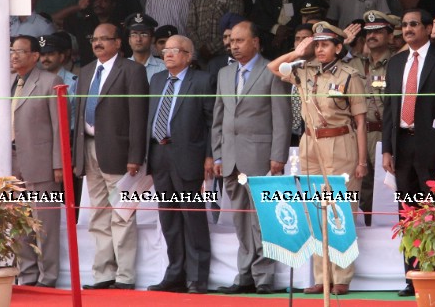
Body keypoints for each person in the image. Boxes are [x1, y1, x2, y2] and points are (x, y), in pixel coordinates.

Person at [270, 22, 367, 296]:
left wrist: (362, 160)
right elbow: (273, 68)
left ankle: (342, 277)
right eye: (317, 44)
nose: (320, 49)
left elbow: (360, 121)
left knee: (340, 212)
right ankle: (321, 277)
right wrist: (297, 52)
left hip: (340, 142)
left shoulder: (350, 75)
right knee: (314, 212)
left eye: (325, 44)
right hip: (309, 143)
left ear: (339, 47)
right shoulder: (305, 70)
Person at [381, 9, 435, 297]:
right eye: (404, 25)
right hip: (402, 144)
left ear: (429, 28)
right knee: (408, 214)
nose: (408, 29)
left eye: (414, 24)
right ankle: (413, 276)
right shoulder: (396, 62)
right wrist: (386, 149)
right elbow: (389, 108)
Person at [213, 21, 290, 295]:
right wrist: (218, 155)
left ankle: (264, 275)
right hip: (231, 158)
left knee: (262, 218)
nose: (234, 45)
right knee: (239, 219)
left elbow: (282, 118)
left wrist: (278, 156)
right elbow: (218, 119)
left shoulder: (271, 71)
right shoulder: (224, 73)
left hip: (261, 157)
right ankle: (244, 273)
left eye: (240, 40)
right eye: (231, 41)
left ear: (255, 42)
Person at [72, 23, 148, 290]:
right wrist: (76, 154)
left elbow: (139, 116)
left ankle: (125, 276)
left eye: (105, 39)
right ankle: (103, 274)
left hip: (120, 153)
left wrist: (135, 155)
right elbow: (79, 114)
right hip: (89, 148)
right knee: (98, 215)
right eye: (94, 38)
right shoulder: (85, 71)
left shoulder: (132, 70)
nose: (98, 43)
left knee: (122, 215)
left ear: (118, 43)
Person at [146, 34, 213, 294]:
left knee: (192, 218)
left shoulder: (202, 80)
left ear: (188, 55)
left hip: (188, 157)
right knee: (169, 219)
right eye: (164, 50)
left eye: (174, 50)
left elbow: (210, 122)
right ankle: (174, 274)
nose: (168, 54)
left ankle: (197, 278)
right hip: (159, 156)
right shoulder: (157, 79)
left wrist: (209, 156)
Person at [9, 34, 63, 288]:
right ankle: (27, 275)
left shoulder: (51, 81)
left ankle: (48, 277)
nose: (14, 55)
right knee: (19, 224)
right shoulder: (8, 82)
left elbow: (59, 129)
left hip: (42, 163)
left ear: (35, 56)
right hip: (11, 161)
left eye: (20, 51)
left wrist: (58, 164)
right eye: (12, 51)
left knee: (45, 226)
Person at [348, 10, 395, 226]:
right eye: (368, 31)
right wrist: (343, 43)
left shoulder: (397, 62)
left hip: (384, 131)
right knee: (361, 182)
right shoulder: (355, 63)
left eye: (378, 31)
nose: (372, 35)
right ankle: (364, 227)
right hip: (358, 131)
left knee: (386, 184)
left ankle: (390, 231)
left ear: (390, 36)